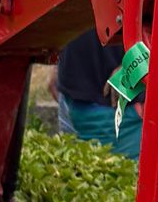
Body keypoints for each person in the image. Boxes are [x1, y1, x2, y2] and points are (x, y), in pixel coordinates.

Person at [54, 20, 144, 161]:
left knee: (121, 177)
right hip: (70, 97)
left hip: (120, 110)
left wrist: (139, 61)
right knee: (73, 174)